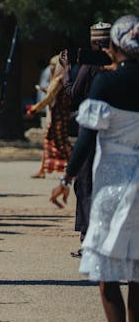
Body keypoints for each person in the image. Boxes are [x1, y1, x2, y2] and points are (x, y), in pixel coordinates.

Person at [74, 15, 139, 322]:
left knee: (107, 273)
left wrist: (66, 175)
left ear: (114, 46)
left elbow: (86, 136)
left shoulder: (105, 82)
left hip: (113, 181)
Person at [55, 22, 113, 257]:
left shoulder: (90, 65)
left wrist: (67, 69)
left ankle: (90, 239)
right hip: (115, 134)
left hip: (91, 129)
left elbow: (73, 94)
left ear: (93, 42)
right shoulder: (119, 65)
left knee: (86, 184)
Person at [28, 54, 73, 179]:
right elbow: (51, 94)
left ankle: (72, 167)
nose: (51, 68)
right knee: (48, 141)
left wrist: (34, 109)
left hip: (59, 115)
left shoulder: (60, 79)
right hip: (56, 114)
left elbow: (49, 98)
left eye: (54, 65)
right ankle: (43, 169)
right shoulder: (59, 79)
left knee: (61, 142)